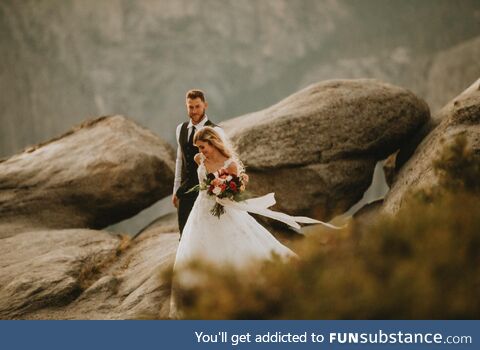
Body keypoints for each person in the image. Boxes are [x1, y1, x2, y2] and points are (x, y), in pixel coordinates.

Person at [169, 127, 339, 318]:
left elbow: (237, 191)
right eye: (198, 148)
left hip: (224, 209)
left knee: (235, 240)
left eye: (203, 147)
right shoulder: (199, 160)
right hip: (201, 209)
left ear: (213, 142)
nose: (201, 152)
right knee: (197, 243)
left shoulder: (230, 164)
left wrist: (224, 191)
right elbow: (197, 181)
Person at [172, 89, 226, 237]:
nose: (194, 111)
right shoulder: (180, 129)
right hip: (185, 192)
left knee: (207, 236)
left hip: (208, 193)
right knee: (184, 236)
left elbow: (224, 162)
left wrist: (221, 191)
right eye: (190, 107)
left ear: (205, 105)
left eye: (197, 106)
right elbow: (179, 160)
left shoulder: (216, 131)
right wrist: (176, 189)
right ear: (186, 106)